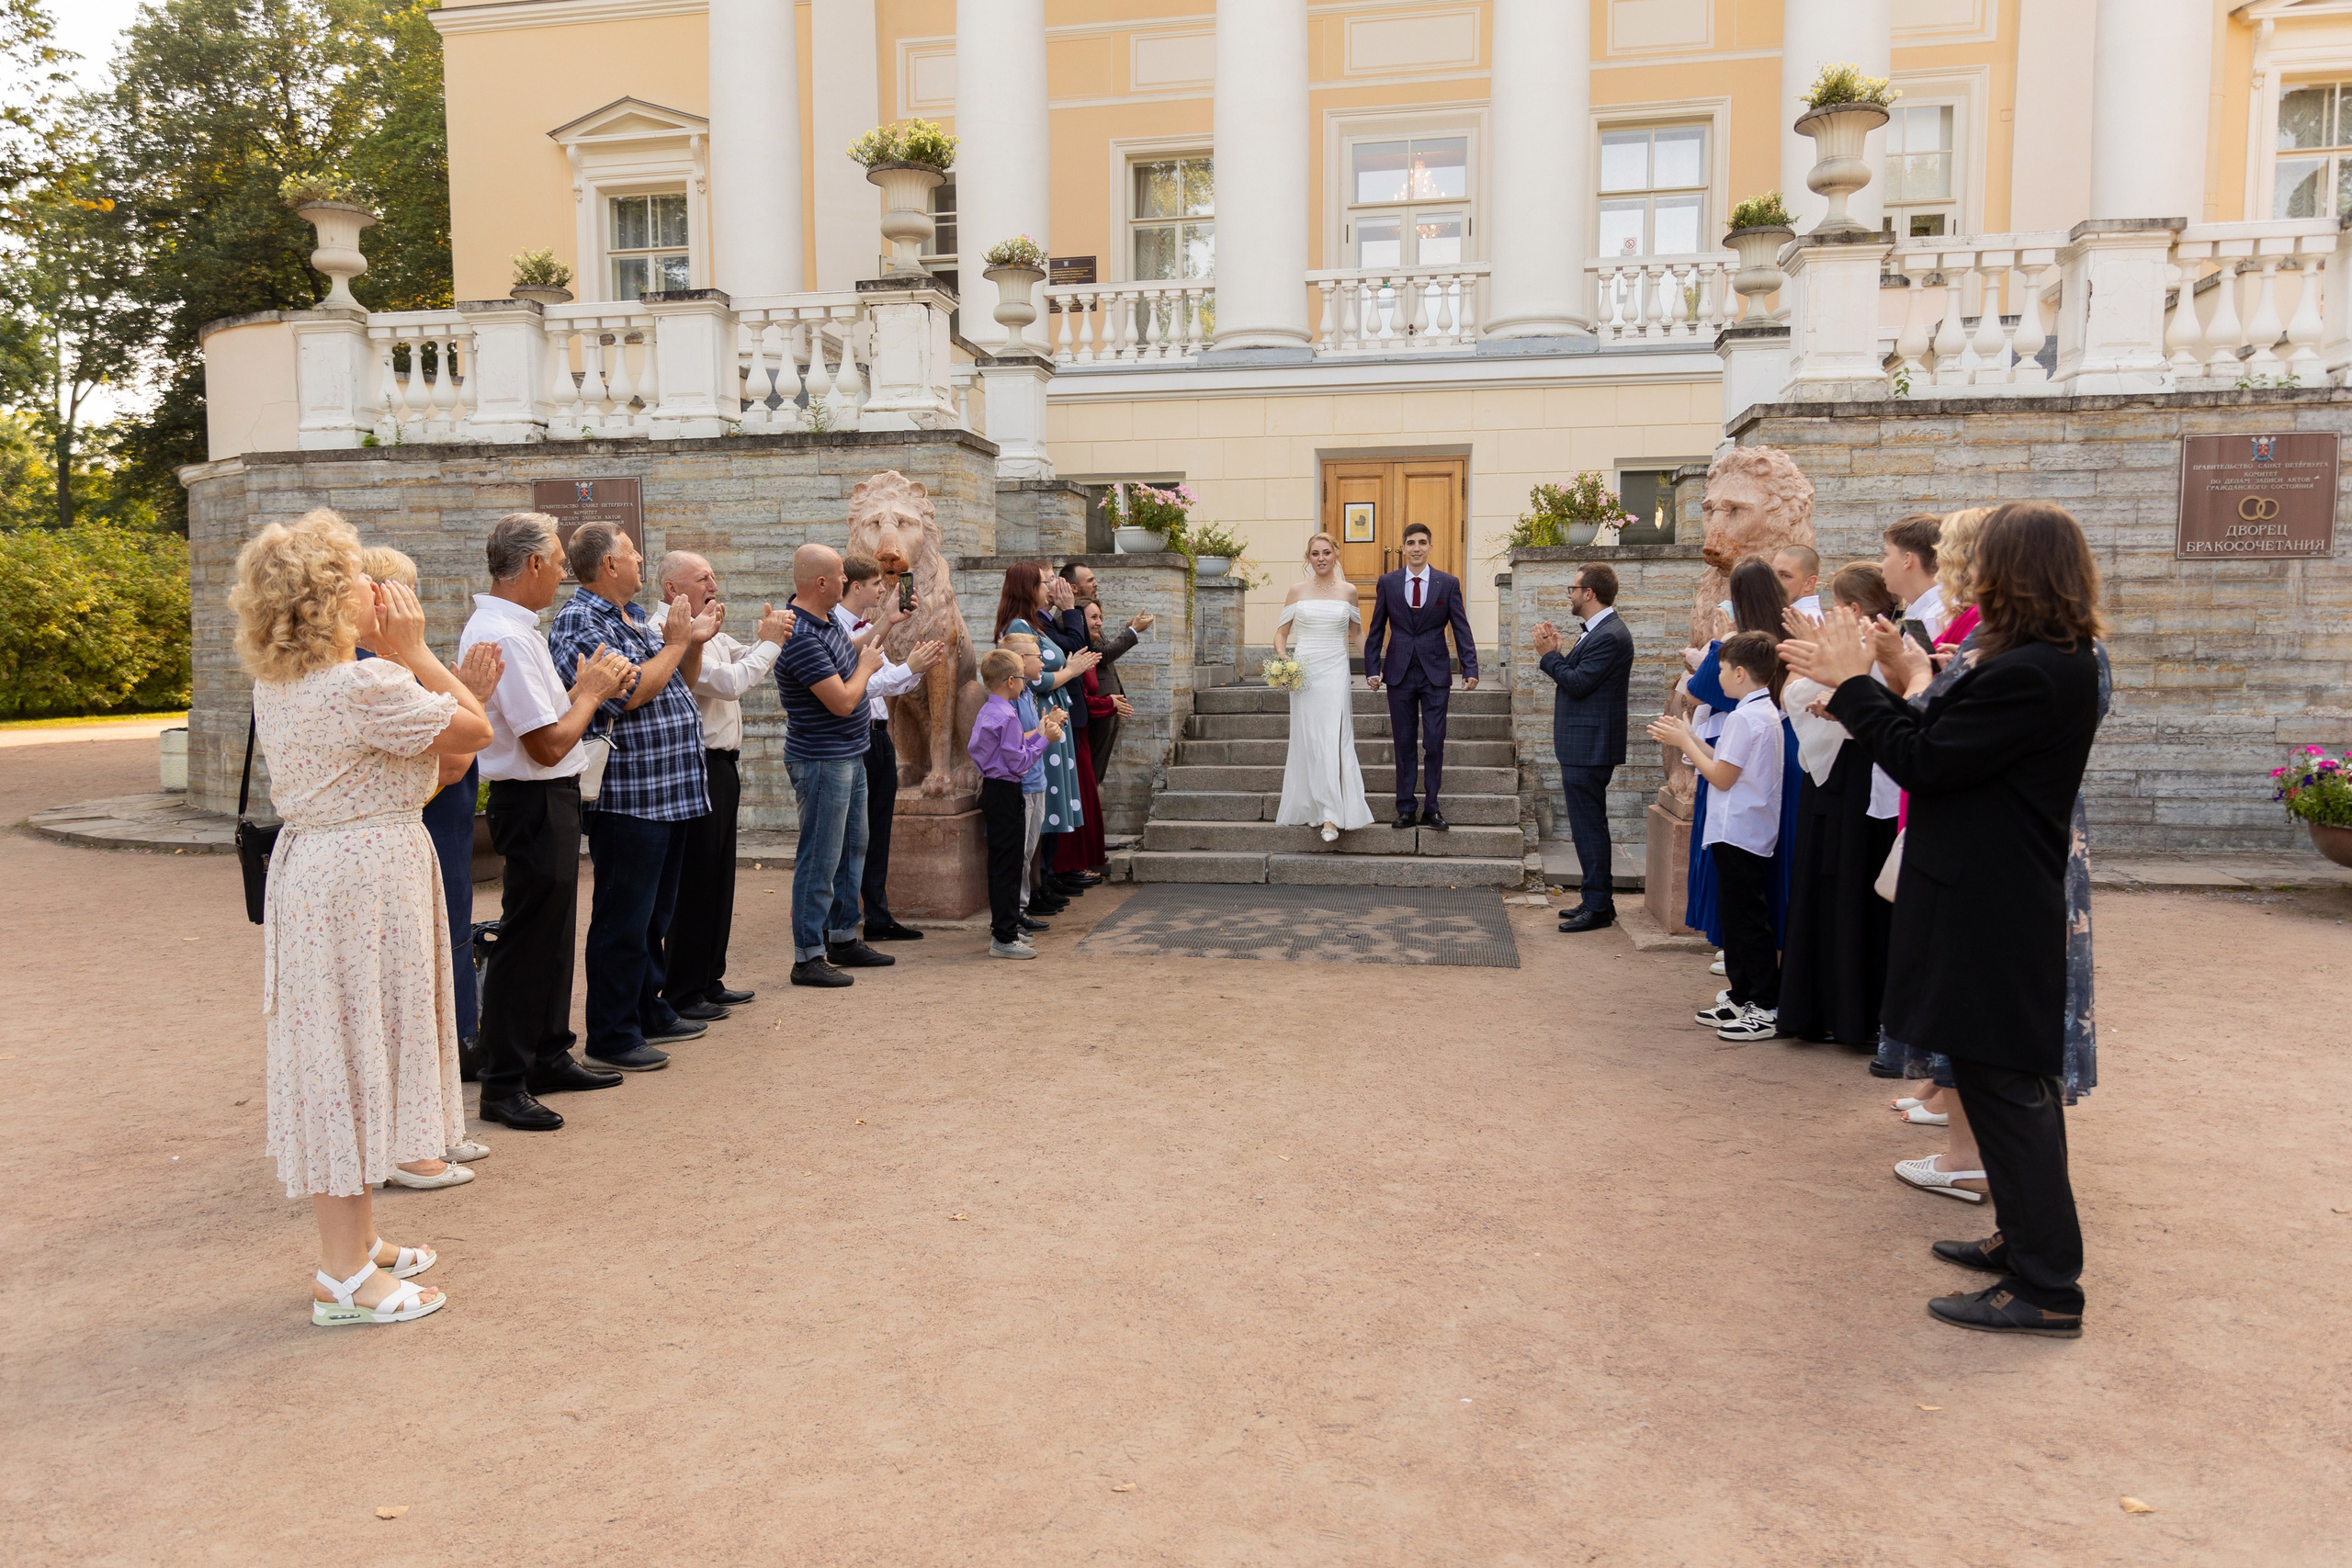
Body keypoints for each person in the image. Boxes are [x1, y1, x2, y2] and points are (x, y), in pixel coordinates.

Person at [1786, 502, 2108, 1338]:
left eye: (1986, 561)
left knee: (2008, 1088)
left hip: (1991, 903)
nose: (1971, 573)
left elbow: (1924, 761)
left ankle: (2048, 1286)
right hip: (1988, 893)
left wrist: (1856, 684)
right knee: (1999, 1080)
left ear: (2017, 573)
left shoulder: (2035, 670)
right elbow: (1940, 738)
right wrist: (1880, 679)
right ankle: (2024, 1243)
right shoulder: (2044, 660)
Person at [233, 509, 498, 1325]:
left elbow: (441, 766)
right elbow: (476, 729)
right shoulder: (363, 682)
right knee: (351, 1058)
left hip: (325, 878)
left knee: (343, 1053)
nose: (377, 589)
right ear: (327, 597)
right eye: (358, 575)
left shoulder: (282, 682)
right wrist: (414, 652)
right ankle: (344, 1274)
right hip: (360, 887)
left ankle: (360, 1240)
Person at [459, 513, 638, 1134]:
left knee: (553, 933)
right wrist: (590, 690)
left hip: (548, 797)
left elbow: (550, 726)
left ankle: (548, 1051)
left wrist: (586, 690)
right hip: (531, 796)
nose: (564, 573)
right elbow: (546, 743)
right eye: (559, 562)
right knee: (528, 939)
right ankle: (504, 1080)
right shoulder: (502, 634)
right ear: (532, 564)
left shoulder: (517, 628)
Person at [549, 524, 723, 1069]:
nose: (642, 559)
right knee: (623, 918)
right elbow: (627, 695)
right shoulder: (582, 620)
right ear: (607, 566)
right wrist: (675, 642)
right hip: (630, 794)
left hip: (666, 789)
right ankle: (612, 1031)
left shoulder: (627, 616)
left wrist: (691, 642)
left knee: (654, 914)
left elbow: (678, 682)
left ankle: (648, 1009)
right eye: (631, 553)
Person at [356, 547, 492, 1165]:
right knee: (407, 991)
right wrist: (472, 693)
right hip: (410, 833)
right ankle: (409, 1138)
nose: (417, 609)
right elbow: (460, 753)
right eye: (405, 595)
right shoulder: (372, 673)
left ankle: (434, 1124)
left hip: (434, 834)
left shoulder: (397, 668)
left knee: (437, 972)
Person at [653, 550, 792, 1015]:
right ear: (672, 588)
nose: (714, 583)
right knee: (696, 879)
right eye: (702, 577)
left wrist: (766, 641)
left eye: (713, 574)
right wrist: (770, 644)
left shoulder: (708, 626)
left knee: (718, 877)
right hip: (699, 763)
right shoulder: (667, 631)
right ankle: (684, 989)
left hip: (724, 765)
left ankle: (709, 977)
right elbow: (730, 682)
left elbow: (743, 656)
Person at [1775, 562, 1903, 1050]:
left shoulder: (1881, 639)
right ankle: (1828, 1009)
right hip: (1839, 777)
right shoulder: (1857, 636)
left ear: (1851, 607)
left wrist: (1840, 698)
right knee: (1831, 891)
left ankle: (1851, 1014)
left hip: (1859, 777)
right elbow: (1799, 690)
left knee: (1851, 892)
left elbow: (1887, 698)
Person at [1650, 631, 1786, 1043]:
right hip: (1740, 829)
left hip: (1742, 829)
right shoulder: (1758, 711)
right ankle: (1744, 994)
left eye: (1723, 669)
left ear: (1740, 673)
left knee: (1747, 921)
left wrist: (1683, 741)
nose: (1719, 676)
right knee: (1736, 917)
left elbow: (1723, 777)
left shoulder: (1748, 717)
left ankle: (1764, 1005)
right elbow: (1724, 762)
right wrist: (1688, 738)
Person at [772, 542, 892, 987]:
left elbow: (849, 649)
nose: (847, 581)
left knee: (852, 847)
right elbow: (842, 700)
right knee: (820, 858)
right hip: (822, 759)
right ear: (820, 583)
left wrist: (884, 623)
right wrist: (865, 666)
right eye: (841, 575)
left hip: (848, 754)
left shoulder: (822, 623)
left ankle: (843, 937)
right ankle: (807, 955)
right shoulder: (800, 636)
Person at [1679, 558, 1800, 949]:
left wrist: (1718, 645)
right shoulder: (1784, 634)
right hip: (1782, 746)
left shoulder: (1745, 647)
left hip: (1734, 747)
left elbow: (1700, 688)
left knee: (1736, 866)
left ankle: (1742, 954)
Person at [831, 551, 945, 941]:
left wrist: (914, 667)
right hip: (855, 738)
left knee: (877, 832)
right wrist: (909, 667)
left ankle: (878, 917)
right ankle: (843, 925)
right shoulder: (836, 631)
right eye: (879, 584)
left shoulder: (867, 626)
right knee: (853, 836)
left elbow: (882, 684)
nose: (885, 589)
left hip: (880, 738)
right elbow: (857, 686)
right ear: (857, 586)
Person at [1532, 563, 1634, 933]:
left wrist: (1548, 656)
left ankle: (1598, 906)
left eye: (1573, 589)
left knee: (1589, 826)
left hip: (1590, 746)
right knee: (1587, 825)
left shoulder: (1610, 634)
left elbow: (1577, 683)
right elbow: (1582, 673)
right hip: (1585, 744)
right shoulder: (1600, 630)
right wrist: (1561, 651)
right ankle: (1595, 897)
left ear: (1589, 593)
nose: (1570, 595)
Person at [1363, 521, 1478, 830]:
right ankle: (1405, 807)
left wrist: (1471, 667)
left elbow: (1461, 627)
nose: (1416, 548)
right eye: (1411, 543)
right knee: (1403, 742)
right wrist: (1372, 668)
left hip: (1435, 672)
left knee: (1435, 742)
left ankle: (1432, 807)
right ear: (1404, 548)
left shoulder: (1448, 583)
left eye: (1422, 543)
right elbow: (1376, 629)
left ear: (1430, 546)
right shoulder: (1388, 582)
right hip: (1399, 672)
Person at [998, 564, 1101, 901]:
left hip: (1053, 715)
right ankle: (1036, 885)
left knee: (1051, 799)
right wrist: (1071, 670)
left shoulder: (1036, 623)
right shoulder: (1018, 627)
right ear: (1028, 589)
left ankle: (1046, 877)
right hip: (1040, 718)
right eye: (1044, 583)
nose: (1050, 587)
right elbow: (1037, 678)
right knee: (1041, 802)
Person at [1272, 532, 1374, 841]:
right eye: (1315, 553)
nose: (1321, 558)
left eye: (1326, 553)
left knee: (1334, 737)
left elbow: (1357, 633)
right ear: (1308, 557)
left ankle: (1331, 814)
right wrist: (1283, 661)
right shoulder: (1297, 591)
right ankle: (1315, 804)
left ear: (1336, 555)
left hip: (1335, 669)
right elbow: (1281, 634)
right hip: (1304, 671)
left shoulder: (1349, 591)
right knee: (1311, 738)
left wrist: (1374, 666)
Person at [970, 647, 1068, 959]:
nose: (1026, 684)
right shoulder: (1007, 714)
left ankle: (1007, 930)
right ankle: (1004, 935)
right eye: (1023, 678)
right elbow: (1019, 763)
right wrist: (1044, 739)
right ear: (1011, 681)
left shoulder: (990, 710)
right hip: (1006, 790)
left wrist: (1037, 732)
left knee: (1005, 863)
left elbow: (1000, 750)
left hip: (994, 788)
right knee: (1008, 865)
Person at [1054, 600, 1136, 879]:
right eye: (1093, 618)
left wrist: (1110, 703)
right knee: (1079, 797)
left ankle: (1087, 858)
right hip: (1075, 734)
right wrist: (1109, 703)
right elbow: (1078, 701)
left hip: (1087, 734)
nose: (1099, 622)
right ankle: (1073, 864)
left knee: (1086, 796)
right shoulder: (1074, 653)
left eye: (1101, 616)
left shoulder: (1088, 650)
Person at [997, 633, 1058, 925]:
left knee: (1028, 849)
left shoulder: (1025, 694)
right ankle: (1015, 912)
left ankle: (1020, 908)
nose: (1042, 661)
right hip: (1021, 785)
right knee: (1018, 853)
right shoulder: (1008, 699)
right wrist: (1044, 732)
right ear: (1021, 661)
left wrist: (1046, 725)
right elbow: (1012, 741)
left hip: (1036, 781)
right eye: (1037, 655)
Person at [1082, 595, 1152, 784]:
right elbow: (1102, 655)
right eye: (1090, 580)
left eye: (1100, 618)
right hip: (1097, 705)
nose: (1095, 584)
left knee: (1098, 770)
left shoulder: (1089, 615)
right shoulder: (1073, 621)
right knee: (1090, 772)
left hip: (1108, 703)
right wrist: (1131, 632)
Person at [1881, 513, 1946, 637]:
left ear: (1907, 560)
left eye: (1886, 555)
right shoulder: (1927, 611)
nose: (1881, 565)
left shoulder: (1932, 618)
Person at [1774, 546, 1822, 621]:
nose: (1775, 581)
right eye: (1773, 574)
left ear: (1809, 583)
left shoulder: (1805, 620)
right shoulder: (1792, 615)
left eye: (1785, 576)